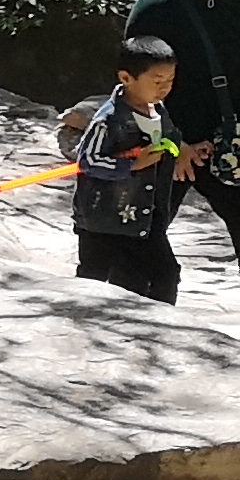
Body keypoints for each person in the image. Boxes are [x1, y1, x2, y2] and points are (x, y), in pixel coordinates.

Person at [126, 0, 240, 261]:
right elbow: (136, 88)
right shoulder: (159, 7)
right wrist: (175, 143)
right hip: (173, 146)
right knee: (140, 239)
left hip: (229, 142)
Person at [75, 37, 191, 304]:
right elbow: (87, 161)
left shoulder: (158, 111)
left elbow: (169, 138)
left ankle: (163, 326)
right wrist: (131, 165)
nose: (165, 88)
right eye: (157, 81)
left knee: (164, 274)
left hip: (146, 218)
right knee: (101, 281)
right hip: (105, 222)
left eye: (170, 81)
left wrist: (181, 147)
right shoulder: (108, 120)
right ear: (127, 78)